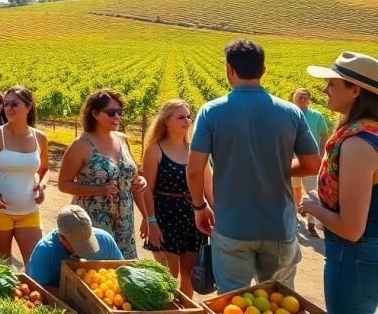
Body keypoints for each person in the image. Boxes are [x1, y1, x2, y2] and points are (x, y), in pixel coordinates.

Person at [187, 39, 321, 292]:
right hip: (278, 226)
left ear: (229, 69)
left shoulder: (210, 112)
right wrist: (277, 167)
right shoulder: (292, 112)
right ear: (263, 70)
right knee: (277, 300)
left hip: (232, 226)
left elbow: (194, 169)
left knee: (233, 300)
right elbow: (313, 164)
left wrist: (199, 207)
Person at [300, 52, 378, 314]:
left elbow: (351, 228)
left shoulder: (358, 143)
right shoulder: (373, 132)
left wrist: (313, 206)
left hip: (354, 254)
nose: (324, 90)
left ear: (355, 90)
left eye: (332, 84)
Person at [58, 89, 148, 259]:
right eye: (112, 112)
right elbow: (64, 184)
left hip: (124, 223)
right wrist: (98, 189)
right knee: (97, 273)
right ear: (95, 113)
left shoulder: (123, 139)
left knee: (124, 271)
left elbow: (133, 178)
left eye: (120, 112)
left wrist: (146, 215)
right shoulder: (81, 145)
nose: (117, 116)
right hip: (94, 222)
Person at [0, 86, 50, 266]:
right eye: (6, 104)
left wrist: (42, 186)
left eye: (14, 104)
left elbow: (44, 169)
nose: (8, 108)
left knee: (36, 266)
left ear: (28, 107)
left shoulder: (40, 137)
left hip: (29, 211)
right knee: (2, 267)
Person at [141, 99, 210, 299]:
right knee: (168, 277)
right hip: (165, 219)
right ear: (166, 122)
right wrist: (150, 221)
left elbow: (207, 185)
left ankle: (186, 311)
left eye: (188, 116)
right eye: (180, 117)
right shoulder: (155, 149)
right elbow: (148, 189)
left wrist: (212, 210)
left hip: (192, 219)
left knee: (189, 277)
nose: (187, 121)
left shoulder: (196, 150)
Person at [26, 205, 124, 297]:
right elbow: (37, 289)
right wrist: (78, 296)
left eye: (88, 241)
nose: (85, 251)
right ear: (61, 237)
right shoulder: (44, 251)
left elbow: (122, 271)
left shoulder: (105, 240)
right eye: (78, 246)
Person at [290, 87, 331, 237]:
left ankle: (311, 222)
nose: (301, 99)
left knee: (311, 191)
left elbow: (324, 135)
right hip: (291, 158)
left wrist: (321, 153)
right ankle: (294, 215)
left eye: (304, 97)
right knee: (294, 188)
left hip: (309, 159)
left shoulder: (317, 116)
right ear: (293, 98)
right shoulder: (288, 114)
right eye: (298, 96)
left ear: (309, 99)